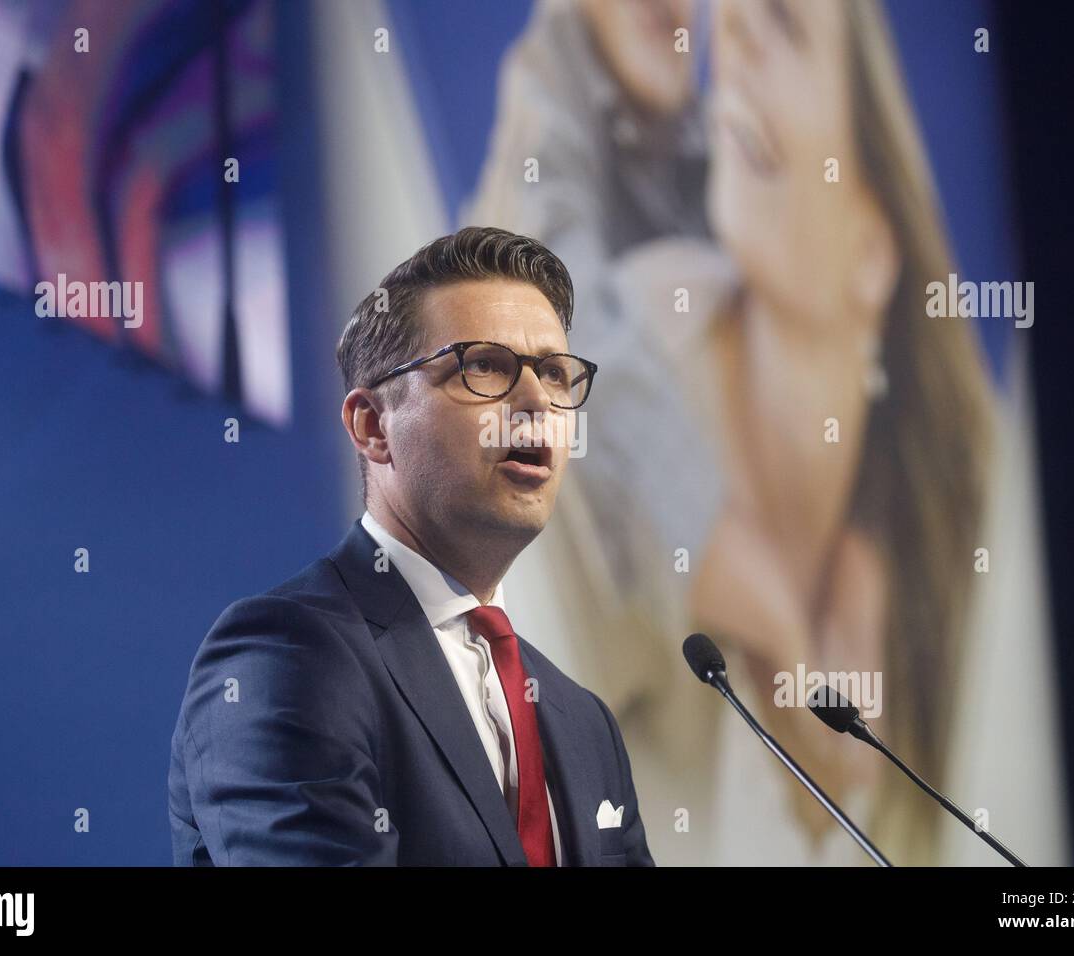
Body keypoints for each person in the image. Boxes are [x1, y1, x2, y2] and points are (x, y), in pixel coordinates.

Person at [465, 0, 995, 865]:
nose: (720, 29)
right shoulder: (555, 114)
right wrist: (742, 572)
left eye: (776, 22)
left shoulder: (920, 557)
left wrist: (850, 562)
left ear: (874, 246)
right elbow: (548, 305)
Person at [168, 226, 656, 866]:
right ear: (373, 426)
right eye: (486, 365)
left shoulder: (584, 723)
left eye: (557, 372)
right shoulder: (285, 657)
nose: (538, 399)